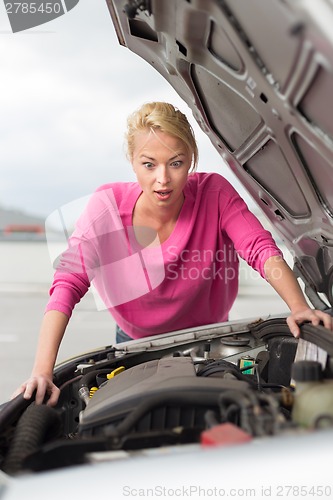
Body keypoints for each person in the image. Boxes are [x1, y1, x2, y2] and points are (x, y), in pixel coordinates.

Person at [13, 102, 333, 406]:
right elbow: (68, 282)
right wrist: (42, 371)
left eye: (176, 162)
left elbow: (258, 248)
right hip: (133, 340)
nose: (162, 179)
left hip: (210, 336)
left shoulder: (214, 193)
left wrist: (298, 307)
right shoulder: (105, 207)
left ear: (191, 160)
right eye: (149, 164)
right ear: (133, 160)